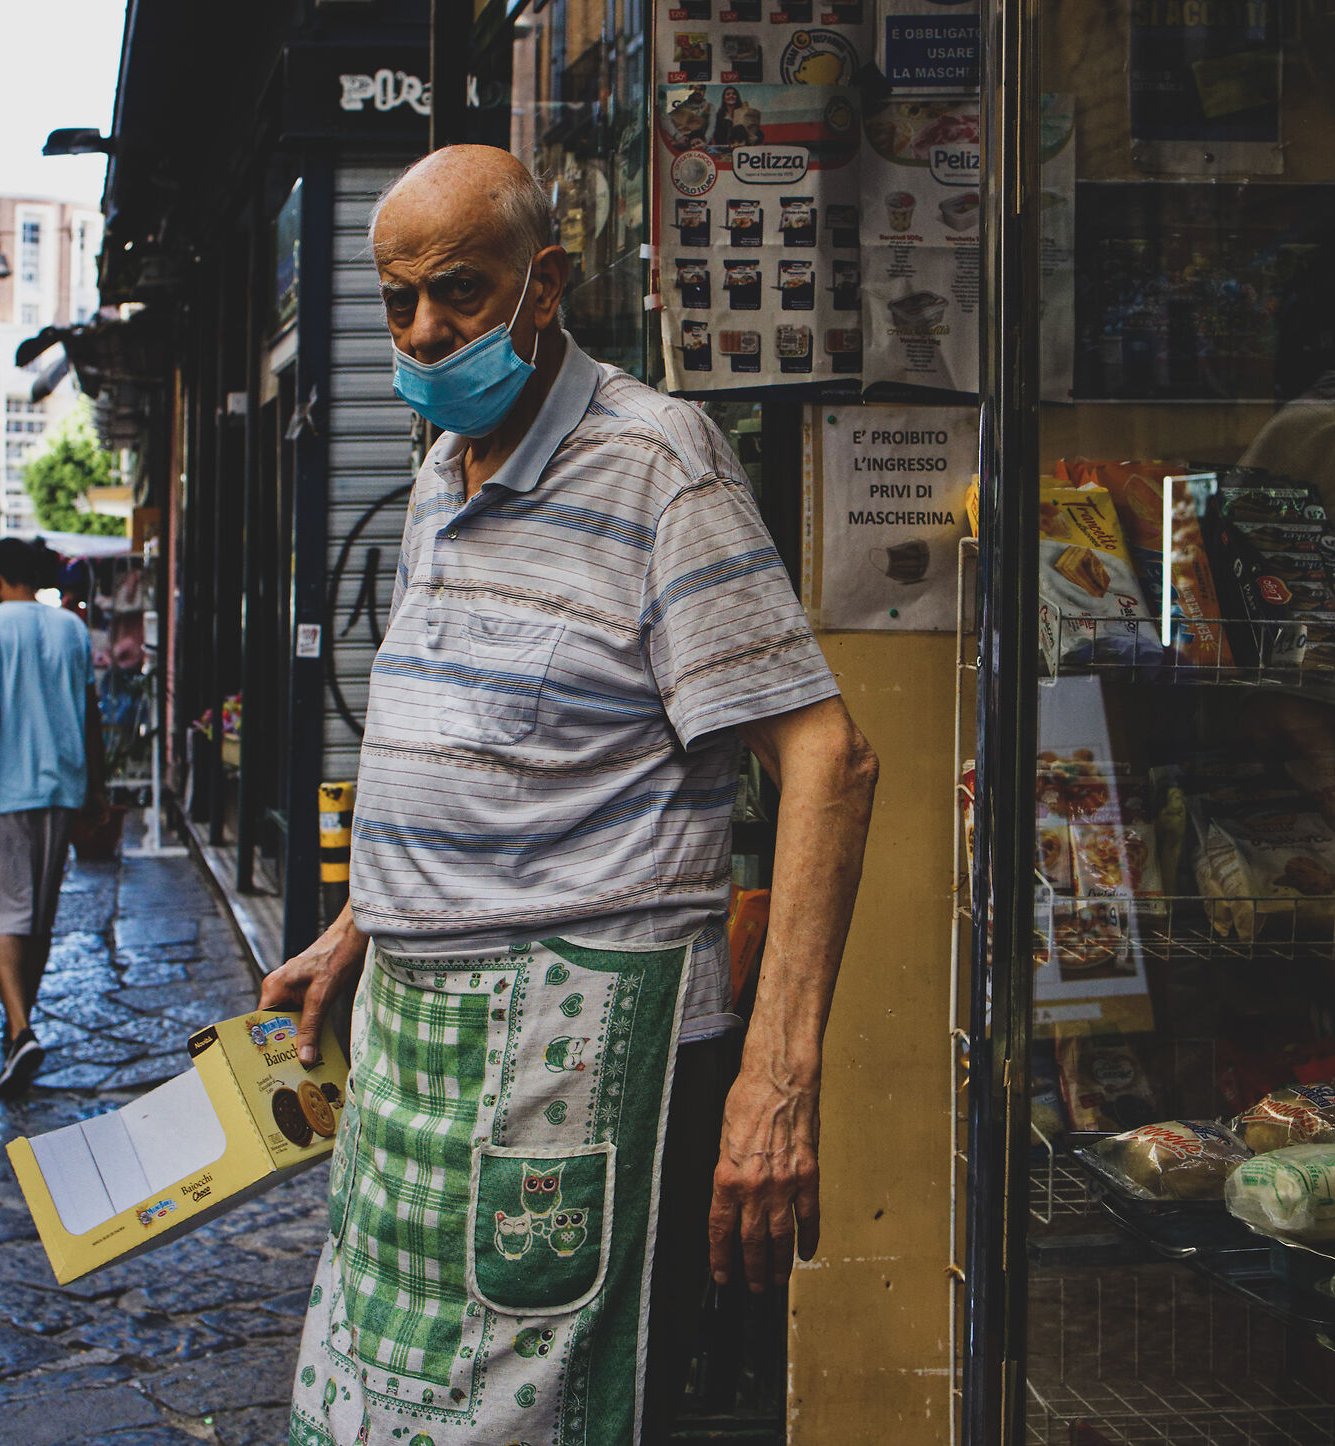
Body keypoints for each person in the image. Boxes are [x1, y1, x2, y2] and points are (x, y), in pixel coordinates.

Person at [261, 146, 877, 1446]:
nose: (423, 332)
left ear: (544, 286)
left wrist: (777, 1076)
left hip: (577, 1060)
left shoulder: (660, 462)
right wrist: (360, 921)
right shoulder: (441, 464)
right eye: (398, 300)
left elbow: (829, 759)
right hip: (413, 1051)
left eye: (461, 292)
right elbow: (466, 735)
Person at [0, 536, 104, 1097]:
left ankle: (19, 1030)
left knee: (3, 912)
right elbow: (90, 712)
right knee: (38, 914)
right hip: (61, 785)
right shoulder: (70, 626)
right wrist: (98, 787)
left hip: (5, 787)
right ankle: (20, 1023)